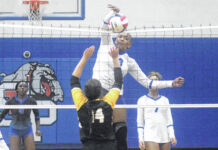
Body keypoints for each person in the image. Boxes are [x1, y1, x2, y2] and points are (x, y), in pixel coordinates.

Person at [92, 4, 184, 150]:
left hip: (116, 93)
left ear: (129, 45)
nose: (122, 38)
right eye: (120, 36)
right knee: (101, 131)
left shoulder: (129, 62)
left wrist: (171, 83)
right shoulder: (105, 44)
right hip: (99, 90)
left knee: (121, 131)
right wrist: (112, 13)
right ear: (116, 39)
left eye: (125, 38)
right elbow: (104, 25)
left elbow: (148, 83)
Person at [70, 45, 123, 150]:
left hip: (89, 146)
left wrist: (85, 58)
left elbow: (74, 80)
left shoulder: (81, 103)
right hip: (108, 146)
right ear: (100, 91)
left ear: (84, 92)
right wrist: (115, 59)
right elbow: (118, 81)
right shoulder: (108, 102)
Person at [137, 72, 177, 150]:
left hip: (164, 136)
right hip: (150, 136)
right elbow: (140, 122)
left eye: (156, 80)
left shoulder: (165, 100)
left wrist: (172, 135)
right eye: (151, 80)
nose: (154, 83)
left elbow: (169, 120)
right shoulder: (142, 100)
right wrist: (141, 139)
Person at [0, 81, 42, 150]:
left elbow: (37, 116)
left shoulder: (32, 101)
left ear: (27, 89)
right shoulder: (11, 101)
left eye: (25, 86)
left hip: (27, 129)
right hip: (14, 130)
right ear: (16, 89)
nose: (22, 87)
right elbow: (2, 115)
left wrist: (38, 129)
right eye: (20, 86)